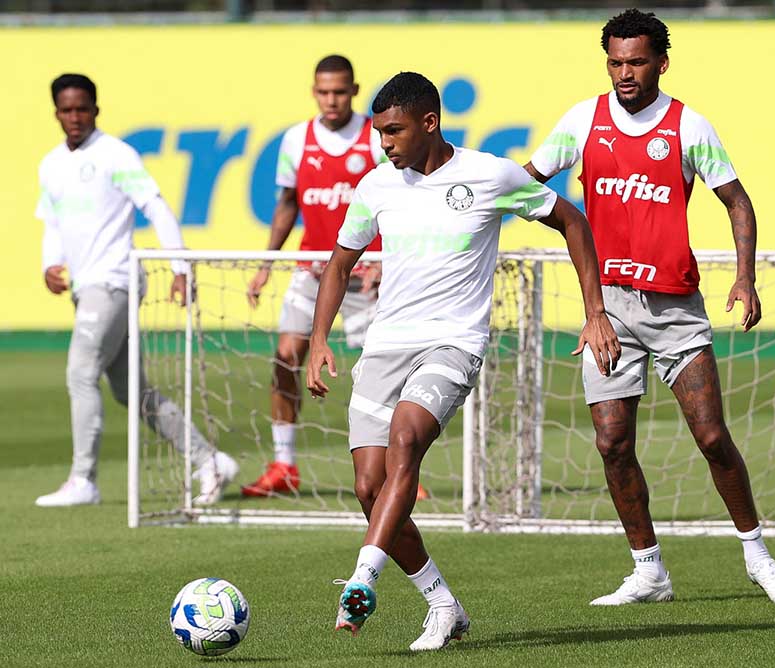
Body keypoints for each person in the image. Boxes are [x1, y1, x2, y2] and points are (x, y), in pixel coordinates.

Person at [307, 71, 620, 650]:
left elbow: (572, 221)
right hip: (384, 345)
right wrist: (319, 339)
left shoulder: (491, 174)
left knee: (406, 440)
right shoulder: (377, 185)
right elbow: (339, 261)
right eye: (379, 133)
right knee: (369, 488)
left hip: (454, 342)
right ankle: (443, 605)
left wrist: (595, 309)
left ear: (430, 123)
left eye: (394, 131)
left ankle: (362, 578)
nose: (384, 143)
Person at [525, 8, 775, 605]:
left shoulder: (688, 125)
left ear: (661, 63)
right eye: (616, 62)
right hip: (610, 310)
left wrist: (746, 280)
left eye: (637, 61)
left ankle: (757, 553)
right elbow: (527, 184)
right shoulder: (582, 120)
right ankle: (649, 571)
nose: (625, 73)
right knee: (612, 443)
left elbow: (739, 202)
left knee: (709, 435)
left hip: (676, 308)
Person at [35, 73, 238, 507]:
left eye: (82, 108)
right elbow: (51, 221)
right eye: (67, 110)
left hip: (114, 281)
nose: (75, 116)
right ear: (56, 112)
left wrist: (180, 265)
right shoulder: (50, 163)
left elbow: (155, 207)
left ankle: (83, 479)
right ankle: (210, 461)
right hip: (87, 286)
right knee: (133, 392)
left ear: (96, 109)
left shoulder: (115, 154)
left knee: (80, 372)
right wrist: (50, 264)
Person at [243, 55, 417, 498]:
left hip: (367, 277)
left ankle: (404, 474)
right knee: (285, 356)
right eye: (323, 92)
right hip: (313, 270)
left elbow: (406, 197)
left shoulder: (376, 136)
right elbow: (287, 205)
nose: (331, 100)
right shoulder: (296, 139)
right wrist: (266, 265)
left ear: (354, 91)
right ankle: (284, 465)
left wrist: (388, 258)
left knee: (384, 374)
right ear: (314, 92)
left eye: (339, 91)